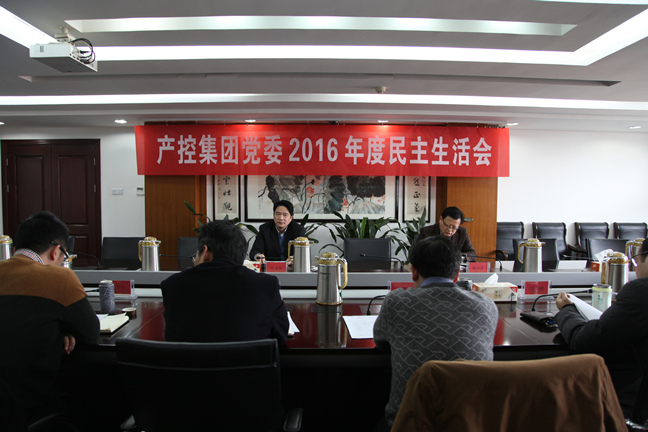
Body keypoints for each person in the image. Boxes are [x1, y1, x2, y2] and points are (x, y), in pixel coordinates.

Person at [373, 236, 498, 430]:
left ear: (413, 271)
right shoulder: (486, 306)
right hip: (471, 424)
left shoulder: (397, 302)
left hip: (409, 424)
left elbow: (380, 342)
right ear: (457, 274)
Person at [0, 211, 99, 423]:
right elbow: (91, 334)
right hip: (32, 406)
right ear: (56, 252)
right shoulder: (60, 277)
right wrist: (63, 330)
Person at [555, 239, 648, 418]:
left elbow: (583, 341)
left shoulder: (640, 292)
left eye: (636, 261)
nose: (635, 269)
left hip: (630, 409)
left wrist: (567, 309)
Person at [162, 220, 289, 343]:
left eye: (196, 256)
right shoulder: (266, 286)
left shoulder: (173, 285)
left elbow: (172, 335)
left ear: (205, 252)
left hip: (190, 358)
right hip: (247, 358)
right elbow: (281, 335)